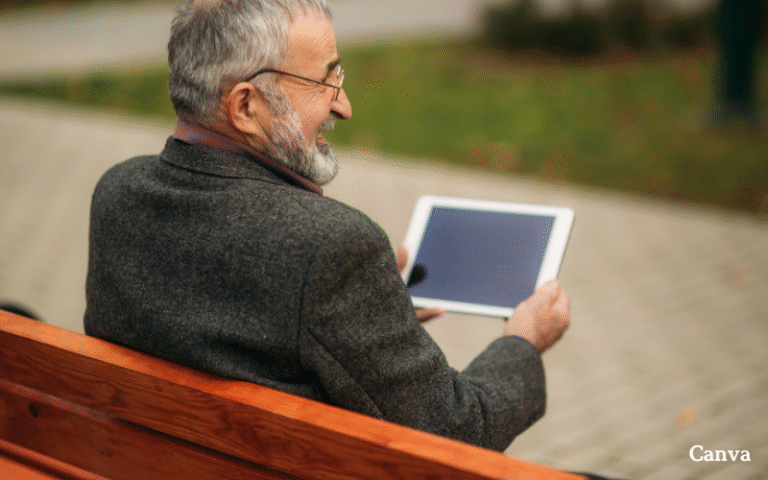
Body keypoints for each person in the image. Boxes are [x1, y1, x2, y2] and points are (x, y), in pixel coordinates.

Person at [84, 0, 570, 452]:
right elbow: (456, 433)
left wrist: (369, 316)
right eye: (326, 80)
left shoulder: (116, 193)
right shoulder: (331, 248)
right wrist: (523, 341)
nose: (344, 105)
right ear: (246, 107)